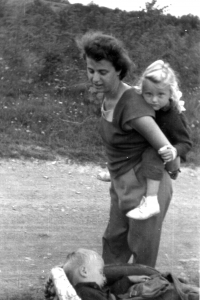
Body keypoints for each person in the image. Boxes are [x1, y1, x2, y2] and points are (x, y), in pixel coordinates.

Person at [76, 31, 175, 267]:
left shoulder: (130, 103)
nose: (95, 78)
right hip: (121, 182)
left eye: (103, 72)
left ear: (118, 70)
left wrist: (173, 165)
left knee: (142, 248)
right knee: (114, 241)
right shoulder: (108, 97)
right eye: (91, 70)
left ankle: (141, 291)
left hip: (145, 183)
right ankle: (109, 288)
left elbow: (165, 148)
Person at [126, 60, 192, 219]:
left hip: (164, 154)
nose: (154, 100)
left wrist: (174, 151)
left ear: (170, 93)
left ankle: (151, 201)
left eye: (160, 95)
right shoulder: (143, 104)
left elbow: (186, 143)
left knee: (151, 153)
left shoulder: (172, 115)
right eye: (149, 94)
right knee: (128, 139)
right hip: (145, 146)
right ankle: (116, 170)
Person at [63, 248, 150, 300]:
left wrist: (128, 279)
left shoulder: (89, 290)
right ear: (84, 271)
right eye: (100, 272)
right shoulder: (86, 293)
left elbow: (111, 292)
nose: (104, 278)